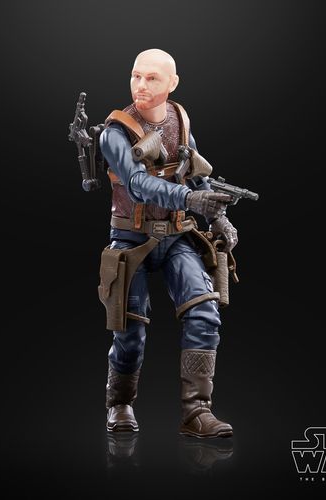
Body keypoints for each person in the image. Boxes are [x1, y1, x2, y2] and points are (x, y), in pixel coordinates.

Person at [99, 48, 238, 438]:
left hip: (176, 236)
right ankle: (120, 403)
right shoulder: (116, 132)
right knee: (129, 328)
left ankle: (197, 412)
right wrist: (191, 199)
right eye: (136, 76)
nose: (141, 86)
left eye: (152, 78)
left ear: (172, 83)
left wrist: (219, 216)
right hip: (131, 238)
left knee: (205, 313)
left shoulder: (180, 119)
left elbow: (194, 171)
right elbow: (137, 184)